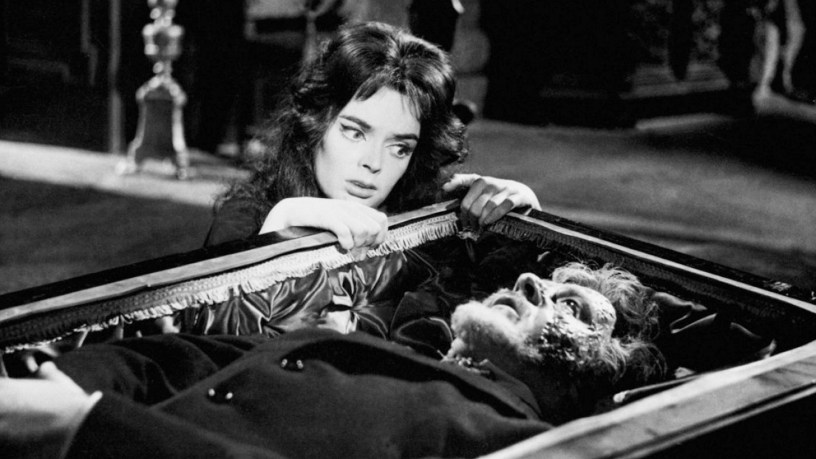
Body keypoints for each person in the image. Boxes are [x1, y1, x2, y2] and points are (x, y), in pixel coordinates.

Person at [0, 263, 665, 458]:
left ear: (595, 369)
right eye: (541, 277)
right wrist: (58, 384)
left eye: (572, 305)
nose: (528, 282)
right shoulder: (371, 348)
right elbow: (177, 357)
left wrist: (85, 430)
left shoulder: (513, 442)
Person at [203, 21, 540, 250]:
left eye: (399, 148)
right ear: (315, 123)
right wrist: (280, 227)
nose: (373, 163)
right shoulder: (247, 218)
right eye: (355, 133)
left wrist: (524, 222)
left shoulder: (430, 218)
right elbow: (209, 329)